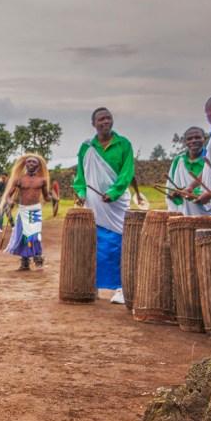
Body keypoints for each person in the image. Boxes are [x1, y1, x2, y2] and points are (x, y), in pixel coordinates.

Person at [73, 107, 134, 304]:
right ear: (94, 124)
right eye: (101, 119)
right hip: (94, 203)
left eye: (108, 118)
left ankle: (121, 288)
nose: (105, 122)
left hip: (117, 205)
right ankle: (95, 286)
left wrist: (114, 193)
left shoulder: (123, 144)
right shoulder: (86, 147)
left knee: (118, 245)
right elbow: (81, 177)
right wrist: (81, 194)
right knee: (96, 245)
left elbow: (126, 174)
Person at [1, 154, 51, 271]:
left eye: (34, 162)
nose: (31, 164)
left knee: (35, 237)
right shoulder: (19, 179)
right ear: (25, 164)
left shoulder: (42, 180)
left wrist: (54, 198)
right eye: (29, 162)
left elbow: (46, 197)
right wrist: (9, 201)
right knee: (24, 237)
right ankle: (25, 263)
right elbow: (8, 194)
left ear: (38, 165)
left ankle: (38, 261)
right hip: (23, 210)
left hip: (35, 211)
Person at [167, 127, 211, 216]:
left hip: (210, 213)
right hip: (185, 212)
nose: (194, 141)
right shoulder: (178, 161)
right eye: (189, 139)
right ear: (185, 142)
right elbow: (170, 185)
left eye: (198, 137)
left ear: (205, 139)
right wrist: (174, 193)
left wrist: (196, 195)